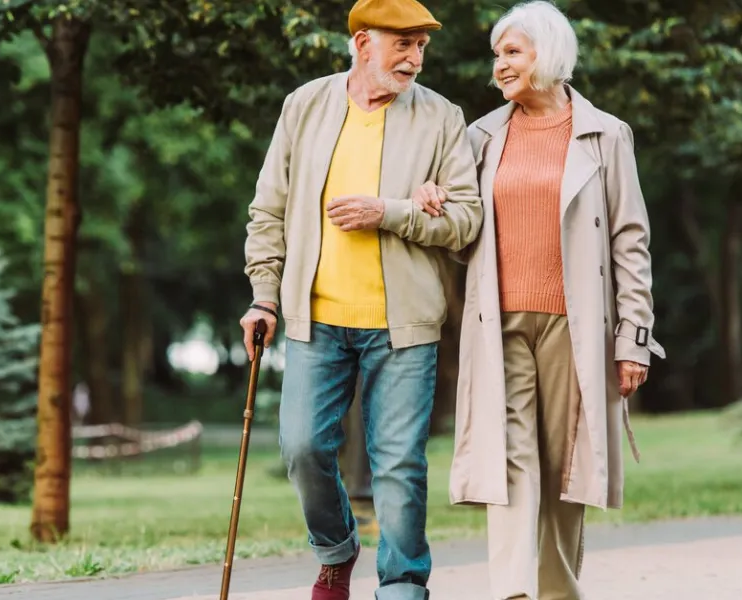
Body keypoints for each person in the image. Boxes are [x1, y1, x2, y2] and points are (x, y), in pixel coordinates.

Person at [239, 0, 483, 597]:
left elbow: (466, 220)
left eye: (421, 46)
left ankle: (402, 585)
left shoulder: (441, 117)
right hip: (315, 320)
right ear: (363, 42)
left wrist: (391, 212)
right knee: (302, 448)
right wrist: (264, 297)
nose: (415, 58)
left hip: (404, 325)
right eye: (403, 44)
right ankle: (336, 549)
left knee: (399, 465)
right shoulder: (305, 105)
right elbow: (268, 209)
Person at [424, 2, 666, 599]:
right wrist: (435, 199)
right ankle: (514, 592)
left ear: (550, 54)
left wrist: (633, 339)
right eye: (497, 55)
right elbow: (462, 230)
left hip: (574, 324)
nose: (499, 66)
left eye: (513, 52)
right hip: (498, 321)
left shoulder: (607, 135)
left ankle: (557, 591)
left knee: (564, 463)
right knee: (509, 457)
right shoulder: (479, 137)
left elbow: (630, 240)